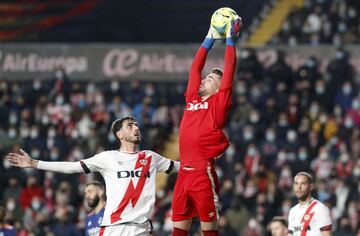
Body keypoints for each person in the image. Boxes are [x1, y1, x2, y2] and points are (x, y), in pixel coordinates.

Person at [7, 116, 179, 236]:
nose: (136, 128)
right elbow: (72, 167)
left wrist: (205, 164)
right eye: (130, 125)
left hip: (142, 229)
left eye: (136, 125)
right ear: (119, 135)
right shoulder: (108, 157)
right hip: (115, 229)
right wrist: (35, 163)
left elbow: (182, 167)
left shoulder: (151, 157)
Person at [171, 15, 242, 236]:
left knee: (209, 232)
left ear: (220, 87)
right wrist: (208, 40)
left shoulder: (219, 103)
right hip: (183, 173)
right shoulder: (192, 97)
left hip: (203, 174)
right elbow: (194, 69)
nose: (204, 79)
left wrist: (230, 40)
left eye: (210, 78)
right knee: (178, 231)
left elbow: (229, 68)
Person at [288, 172, 332, 236]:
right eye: (296, 184)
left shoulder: (320, 208)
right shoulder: (292, 211)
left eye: (303, 184)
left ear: (311, 187)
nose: (299, 187)